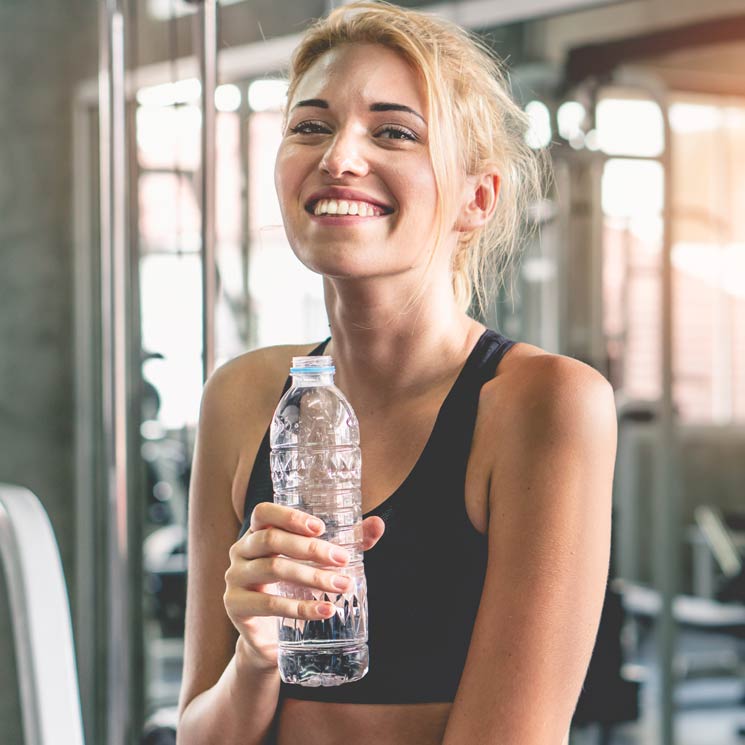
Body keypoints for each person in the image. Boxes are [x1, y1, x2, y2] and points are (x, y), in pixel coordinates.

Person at [175, 3, 617, 744]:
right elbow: (198, 733)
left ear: (477, 198)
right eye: (310, 126)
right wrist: (256, 657)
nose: (338, 156)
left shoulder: (545, 403)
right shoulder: (243, 394)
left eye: (393, 132)